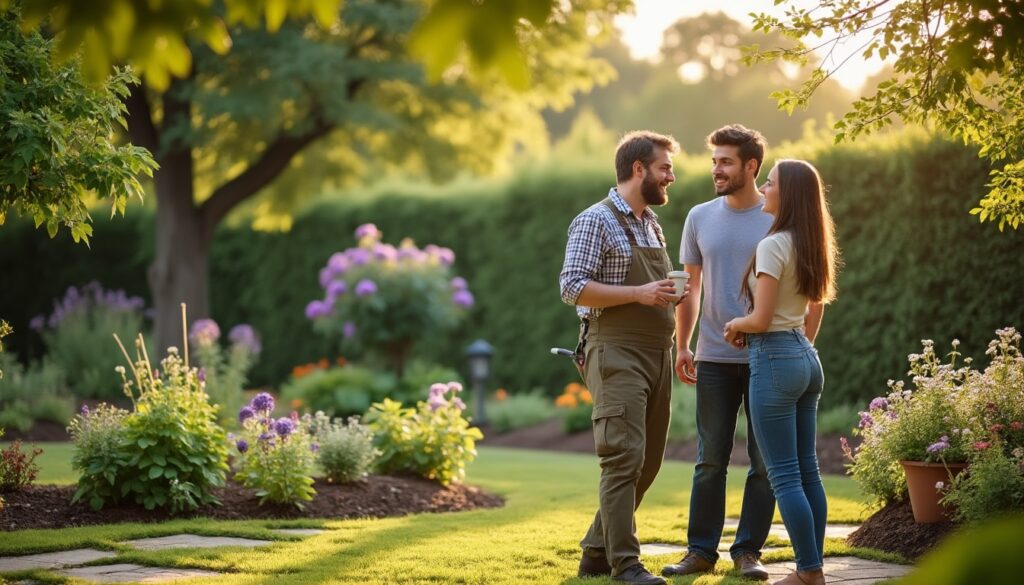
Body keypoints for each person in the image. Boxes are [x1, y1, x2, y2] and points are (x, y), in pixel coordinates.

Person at [559, 130, 687, 585]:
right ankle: (626, 565)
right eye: (665, 168)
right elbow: (572, 287)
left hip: (657, 350)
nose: (671, 176)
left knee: (649, 461)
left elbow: (654, 291)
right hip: (614, 350)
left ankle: (596, 551)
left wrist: (671, 296)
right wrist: (639, 292)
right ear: (639, 169)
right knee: (622, 457)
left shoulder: (650, 222)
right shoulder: (594, 220)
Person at [662, 124, 777, 581]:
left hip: (768, 356)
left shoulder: (777, 215)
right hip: (711, 356)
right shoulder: (699, 216)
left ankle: (749, 551)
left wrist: (801, 343)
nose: (716, 169)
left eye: (726, 161)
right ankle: (700, 552)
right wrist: (683, 343)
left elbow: (810, 292)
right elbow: (689, 288)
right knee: (710, 458)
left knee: (765, 461)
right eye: (714, 161)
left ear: (751, 166)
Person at [723, 159, 839, 585]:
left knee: (785, 474)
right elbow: (811, 308)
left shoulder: (773, 245)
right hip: (806, 358)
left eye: (769, 183)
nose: (764, 189)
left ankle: (808, 572)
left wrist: (737, 325)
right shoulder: (811, 243)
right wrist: (790, 339)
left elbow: (761, 316)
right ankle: (814, 567)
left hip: (774, 360)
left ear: (786, 194)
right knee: (807, 470)